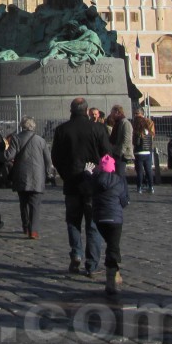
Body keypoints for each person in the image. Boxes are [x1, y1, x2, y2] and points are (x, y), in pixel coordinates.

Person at [51, 97, 113, 274]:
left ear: (71, 110)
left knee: (73, 221)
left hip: (72, 183)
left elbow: (56, 157)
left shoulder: (62, 130)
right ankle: (92, 264)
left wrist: (66, 174)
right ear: (87, 111)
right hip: (94, 184)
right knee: (93, 223)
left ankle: (76, 253)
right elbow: (107, 155)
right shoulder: (98, 128)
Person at [83, 155, 129, 295]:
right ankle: (112, 279)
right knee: (113, 248)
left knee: (111, 245)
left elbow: (87, 187)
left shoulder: (95, 180)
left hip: (99, 219)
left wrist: (87, 173)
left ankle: (115, 273)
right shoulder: (119, 181)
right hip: (115, 220)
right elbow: (124, 201)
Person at [4, 117, 53, 240]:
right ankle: (34, 230)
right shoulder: (41, 140)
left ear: (22, 126)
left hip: (21, 175)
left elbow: (9, 155)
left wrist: (0, 153)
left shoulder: (16, 138)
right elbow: (48, 159)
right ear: (33, 127)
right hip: (37, 176)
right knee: (35, 204)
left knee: (23, 203)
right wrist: (48, 173)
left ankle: (26, 226)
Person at [106, 105, 133, 180]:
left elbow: (127, 139)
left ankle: (123, 191)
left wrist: (120, 152)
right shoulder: (118, 123)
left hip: (121, 155)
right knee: (117, 174)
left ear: (117, 112)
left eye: (112, 112)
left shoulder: (125, 123)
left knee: (120, 175)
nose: (111, 114)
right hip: (116, 152)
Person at [132, 112, 156, 194]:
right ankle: (151, 187)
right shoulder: (149, 132)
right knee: (149, 170)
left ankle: (139, 188)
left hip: (139, 153)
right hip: (148, 152)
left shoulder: (137, 132)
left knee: (139, 172)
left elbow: (136, 143)